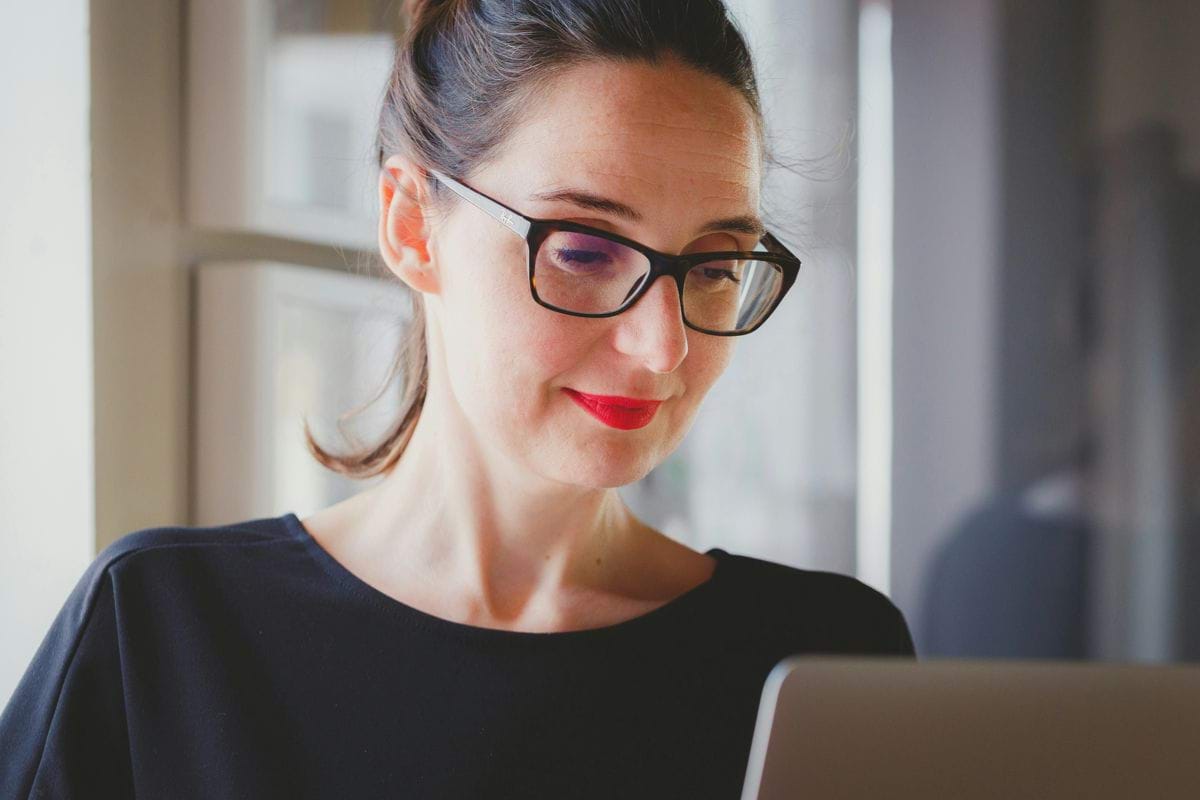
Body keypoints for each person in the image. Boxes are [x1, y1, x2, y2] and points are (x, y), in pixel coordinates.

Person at [0, 0, 915, 797]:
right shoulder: (163, 634)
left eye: (713, 267)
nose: (663, 347)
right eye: (586, 250)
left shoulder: (820, 662)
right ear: (411, 224)